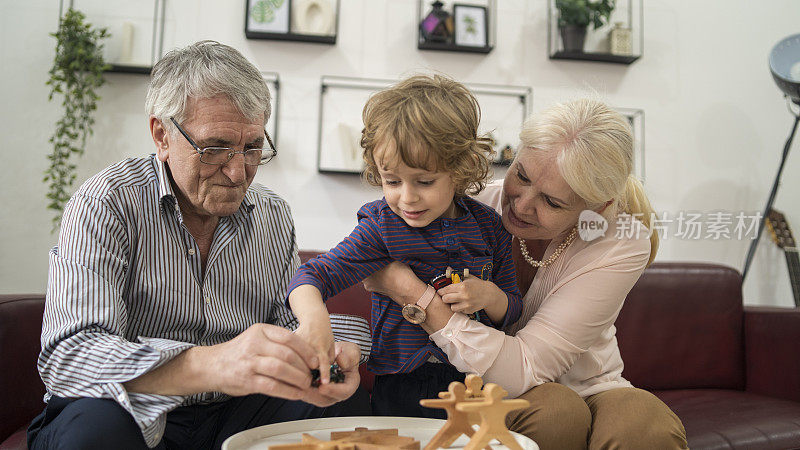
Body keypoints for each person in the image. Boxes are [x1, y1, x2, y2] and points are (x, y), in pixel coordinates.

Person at [28, 41, 371, 450]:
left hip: (234, 410)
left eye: (252, 147)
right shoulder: (106, 202)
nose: (237, 171)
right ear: (162, 135)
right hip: (132, 409)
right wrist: (210, 363)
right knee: (96, 433)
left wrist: (328, 351)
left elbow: (288, 325)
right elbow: (73, 355)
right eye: (214, 148)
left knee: (342, 412)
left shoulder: (272, 213)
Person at [363, 99, 688, 449]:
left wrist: (412, 293)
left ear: (599, 206)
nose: (519, 205)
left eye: (552, 202)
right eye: (521, 175)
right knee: (555, 412)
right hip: (476, 387)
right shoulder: (467, 206)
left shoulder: (619, 238)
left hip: (588, 386)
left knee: (644, 425)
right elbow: (372, 246)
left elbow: (525, 369)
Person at [286, 75, 523, 418]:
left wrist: (490, 297)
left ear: (459, 170)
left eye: (424, 182)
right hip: (401, 385)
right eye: (392, 181)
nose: (407, 198)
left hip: (475, 384)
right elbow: (311, 275)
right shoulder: (382, 226)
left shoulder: (490, 228)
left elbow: (513, 308)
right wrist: (313, 320)